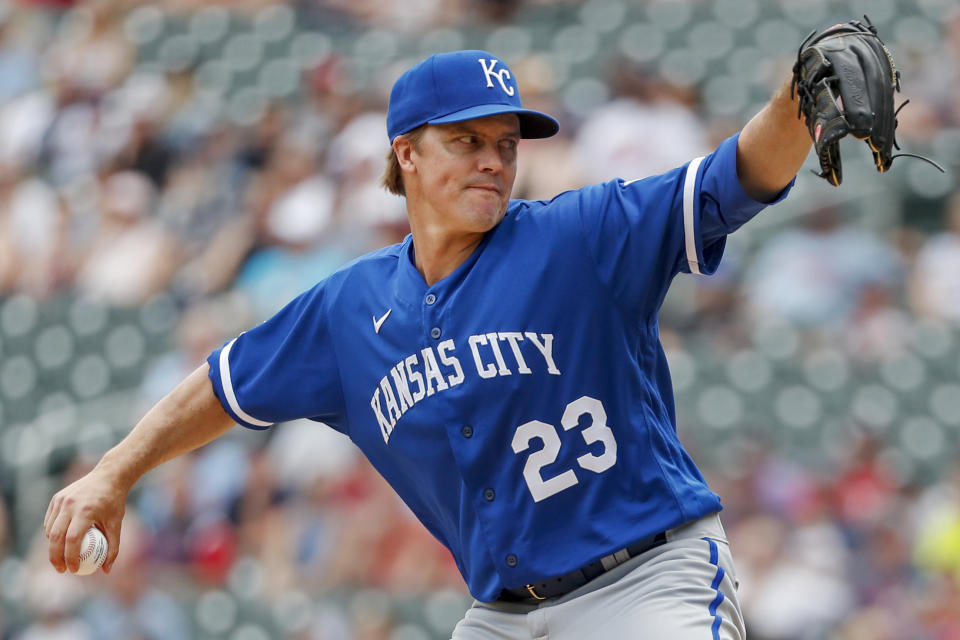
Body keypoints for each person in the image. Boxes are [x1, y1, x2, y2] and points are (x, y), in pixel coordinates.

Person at [45, 48, 812, 639]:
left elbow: (732, 178)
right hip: (503, 616)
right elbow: (224, 385)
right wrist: (114, 474)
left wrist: (798, 102)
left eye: (507, 143)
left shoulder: (580, 236)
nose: (494, 161)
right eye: (467, 140)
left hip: (646, 582)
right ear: (406, 153)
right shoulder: (350, 309)